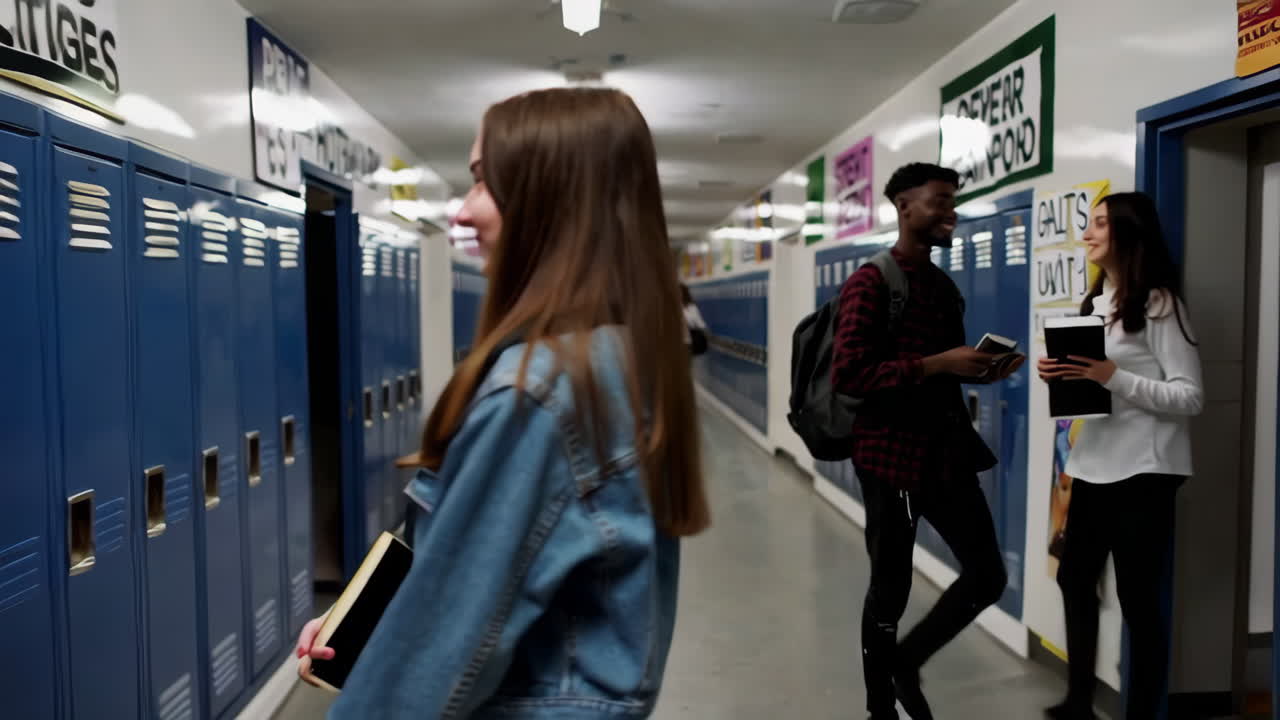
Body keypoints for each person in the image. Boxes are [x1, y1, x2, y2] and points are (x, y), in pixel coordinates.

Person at [294, 87, 711, 719]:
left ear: (550, 201)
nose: (463, 212)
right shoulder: (621, 357)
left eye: (484, 182)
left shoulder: (541, 394)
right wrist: (379, 625)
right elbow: (485, 583)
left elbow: (435, 659)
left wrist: (391, 664)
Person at [831, 162, 1023, 720]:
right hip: (890, 458)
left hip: (944, 455)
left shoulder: (942, 287)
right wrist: (938, 363)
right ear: (903, 206)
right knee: (889, 591)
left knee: (987, 575)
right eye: (939, 202)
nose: (950, 214)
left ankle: (905, 663)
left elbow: (940, 371)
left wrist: (980, 370)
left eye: (952, 203)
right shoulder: (871, 282)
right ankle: (880, 710)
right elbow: (850, 374)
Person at [1037, 192, 1203, 720]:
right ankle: (1079, 702)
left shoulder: (1159, 304)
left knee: (1137, 599)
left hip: (1145, 471)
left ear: (1130, 233)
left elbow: (1190, 396)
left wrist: (1113, 376)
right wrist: (1061, 376)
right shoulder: (1096, 304)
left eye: (1101, 224)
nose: (1087, 233)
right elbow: (1096, 388)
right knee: (1073, 579)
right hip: (1094, 464)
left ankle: (1142, 713)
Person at [681, 283, 708, 355]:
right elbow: (701, 325)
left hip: (685, 343)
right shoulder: (692, 307)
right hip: (689, 342)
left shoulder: (691, 307)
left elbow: (700, 324)